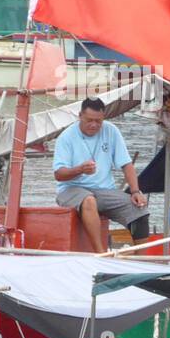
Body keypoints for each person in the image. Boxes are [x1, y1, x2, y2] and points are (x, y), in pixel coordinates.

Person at [53, 98, 149, 251]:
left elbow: (126, 164)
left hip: (105, 190)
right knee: (89, 201)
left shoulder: (111, 130)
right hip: (71, 189)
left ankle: (142, 258)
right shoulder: (66, 137)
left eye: (98, 121)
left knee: (139, 208)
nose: (94, 125)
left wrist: (135, 191)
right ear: (80, 116)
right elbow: (59, 175)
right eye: (89, 120)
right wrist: (79, 169)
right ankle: (101, 253)